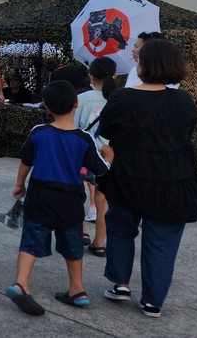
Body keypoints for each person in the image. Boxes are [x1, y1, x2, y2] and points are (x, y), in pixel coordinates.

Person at [98, 39, 197, 318]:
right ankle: (153, 301)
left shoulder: (122, 97)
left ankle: (120, 283)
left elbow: (105, 131)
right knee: (163, 239)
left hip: (128, 175)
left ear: (146, 65)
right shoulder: (183, 101)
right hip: (173, 179)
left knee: (120, 228)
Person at [5, 80, 111, 316]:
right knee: (73, 244)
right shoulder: (84, 139)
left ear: (47, 108)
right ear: (76, 104)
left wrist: (20, 185)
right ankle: (77, 290)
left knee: (31, 240)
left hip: (40, 195)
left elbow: (25, 161)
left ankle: (21, 283)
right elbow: (101, 171)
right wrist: (109, 155)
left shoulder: (38, 133)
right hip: (70, 200)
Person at [73, 57, 117, 256]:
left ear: (91, 76)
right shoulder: (119, 99)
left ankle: (82, 232)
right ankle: (99, 243)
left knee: (77, 196)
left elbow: (71, 127)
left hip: (81, 154)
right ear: (114, 76)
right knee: (103, 202)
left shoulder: (81, 98)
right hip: (107, 157)